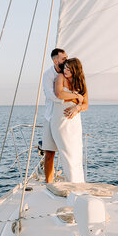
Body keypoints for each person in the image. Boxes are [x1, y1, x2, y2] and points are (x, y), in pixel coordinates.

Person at [42, 48, 80, 182]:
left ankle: (72, 180)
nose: (66, 60)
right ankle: (49, 183)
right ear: (55, 60)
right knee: (49, 153)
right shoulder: (48, 75)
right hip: (50, 117)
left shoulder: (70, 75)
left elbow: (82, 98)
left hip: (66, 119)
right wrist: (71, 98)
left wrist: (77, 106)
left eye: (66, 57)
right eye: (63, 58)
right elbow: (51, 95)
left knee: (69, 152)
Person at [51, 57, 88, 182]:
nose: (65, 70)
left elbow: (85, 105)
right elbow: (59, 94)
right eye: (65, 67)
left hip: (74, 123)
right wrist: (76, 96)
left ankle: (78, 184)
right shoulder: (60, 78)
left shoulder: (81, 82)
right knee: (67, 153)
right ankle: (72, 184)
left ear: (75, 70)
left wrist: (77, 108)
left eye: (68, 68)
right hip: (60, 122)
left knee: (76, 154)